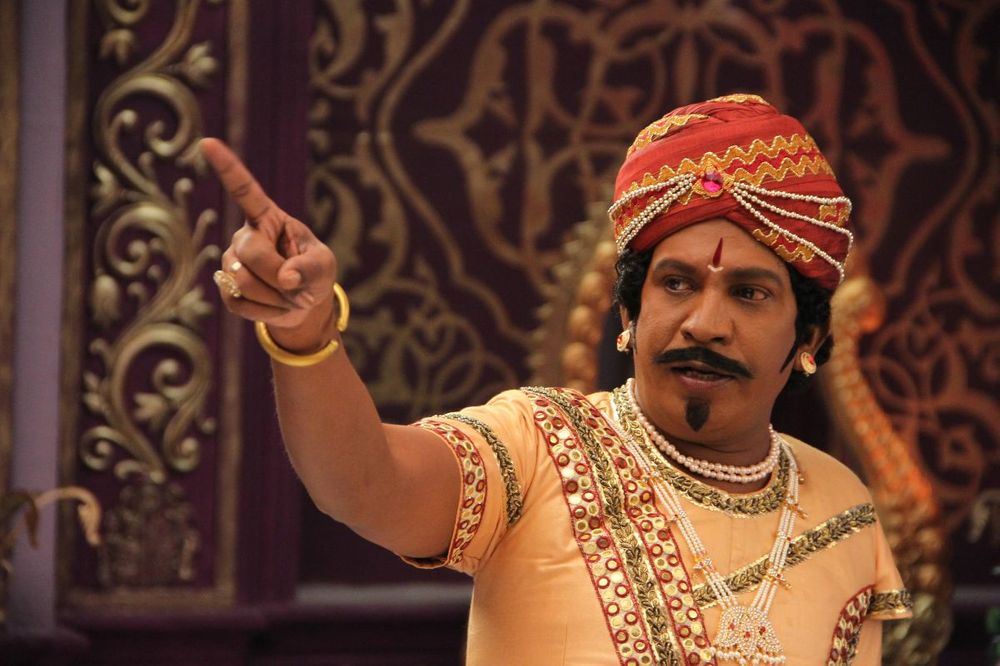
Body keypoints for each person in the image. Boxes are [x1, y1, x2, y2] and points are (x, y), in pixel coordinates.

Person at [204, 94, 912, 665]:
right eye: (675, 283)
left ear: (807, 339)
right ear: (629, 312)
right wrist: (306, 336)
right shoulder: (538, 444)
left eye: (749, 294)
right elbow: (364, 482)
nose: (704, 324)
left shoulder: (845, 513)